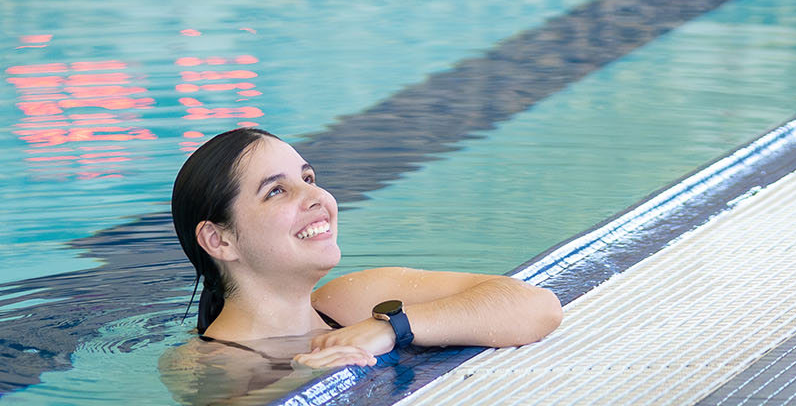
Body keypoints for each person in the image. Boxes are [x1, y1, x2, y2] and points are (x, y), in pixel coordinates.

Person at [159, 127, 561, 405]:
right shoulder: (204, 364)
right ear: (220, 240)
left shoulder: (353, 302)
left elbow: (538, 306)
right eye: (277, 190)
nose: (317, 196)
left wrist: (387, 329)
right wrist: (300, 384)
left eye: (309, 177)